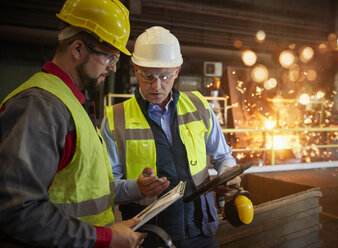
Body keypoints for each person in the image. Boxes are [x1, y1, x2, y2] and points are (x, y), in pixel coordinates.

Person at [0, 0, 146, 247]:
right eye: (109, 57)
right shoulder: (40, 106)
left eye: (116, 58)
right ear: (78, 49)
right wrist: (107, 238)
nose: (112, 68)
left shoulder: (69, 101)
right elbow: (18, 211)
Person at [100, 26, 241, 248]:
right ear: (135, 69)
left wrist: (228, 174)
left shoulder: (199, 106)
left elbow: (224, 156)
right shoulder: (115, 119)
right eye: (148, 76)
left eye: (165, 76)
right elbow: (106, 188)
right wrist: (136, 187)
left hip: (201, 231)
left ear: (177, 71)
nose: (157, 86)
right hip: (148, 237)